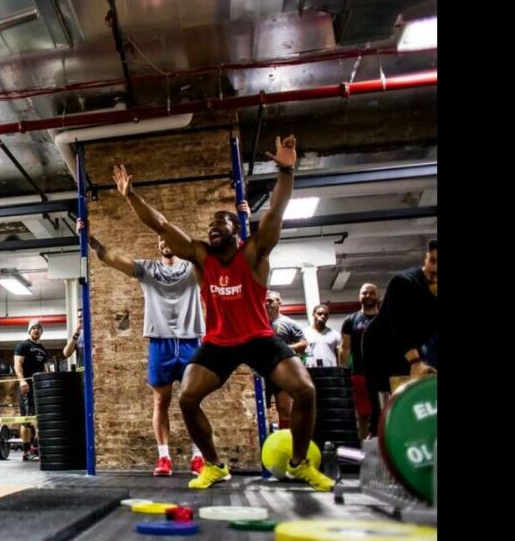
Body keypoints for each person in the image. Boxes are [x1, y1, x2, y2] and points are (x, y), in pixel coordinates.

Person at [114, 135, 335, 491]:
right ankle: (215, 465)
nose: (212, 227)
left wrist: (286, 170)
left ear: (236, 228)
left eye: (220, 222)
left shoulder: (254, 253)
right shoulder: (202, 257)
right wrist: (130, 196)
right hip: (218, 342)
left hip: (260, 338)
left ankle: (299, 463)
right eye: (209, 225)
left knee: (305, 390)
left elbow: (275, 211)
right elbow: (161, 225)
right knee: (186, 398)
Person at [80, 219, 206, 477]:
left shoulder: (196, 267)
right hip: (159, 341)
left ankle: (199, 457)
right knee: (161, 400)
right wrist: (89, 237)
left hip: (191, 340)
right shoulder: (147, 269)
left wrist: (243, 221)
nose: (165, 242)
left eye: (169, 238)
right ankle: (164, 458)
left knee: (193, 401)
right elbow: (111, 257)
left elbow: (230, 256)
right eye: (161, 238)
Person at [363, 240, 437, 434]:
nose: (434, 269)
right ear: (426, 258)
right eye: (432, 261)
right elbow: (399, 326)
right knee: (387, 405)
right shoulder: (403, 282)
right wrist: (415, 361)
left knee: (415, 403)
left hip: (412, 345)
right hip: (381, 346)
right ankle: (379, 448)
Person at [339, 283, 378, 439]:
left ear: (378, 296)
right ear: (359, 296)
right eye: (364, 293)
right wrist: (343, 369)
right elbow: (345, 347)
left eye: (371, 293)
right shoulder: (351, 320)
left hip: (382, 373)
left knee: (385, 411)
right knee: (363, 415)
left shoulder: (386, 318)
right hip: (359, 373)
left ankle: (385, 447)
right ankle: (364, 448)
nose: (368, 295)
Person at [264, 291, 308, 429]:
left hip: (282, 371)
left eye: (271, 300)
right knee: (258, 410)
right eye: (265, 301)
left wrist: (284, 348)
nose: (267, 303)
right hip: (262, 372)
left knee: (283, 408)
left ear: (279, 303)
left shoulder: (289, 323)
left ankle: (287, 439)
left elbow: (303, 344)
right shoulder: (258, 324)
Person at [14, 320, 49, 461]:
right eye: (33, 328)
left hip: (39, 387)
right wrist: (22, 380)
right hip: (27, 386)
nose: (36, 330)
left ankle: (36, 447)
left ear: (41, 331)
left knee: (40, 419)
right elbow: (17, 364)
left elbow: (45, 368)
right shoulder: (24, 345)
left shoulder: (43, 349)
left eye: (38, 328)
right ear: (29, 331)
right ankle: (27, 451)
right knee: (26, 420)